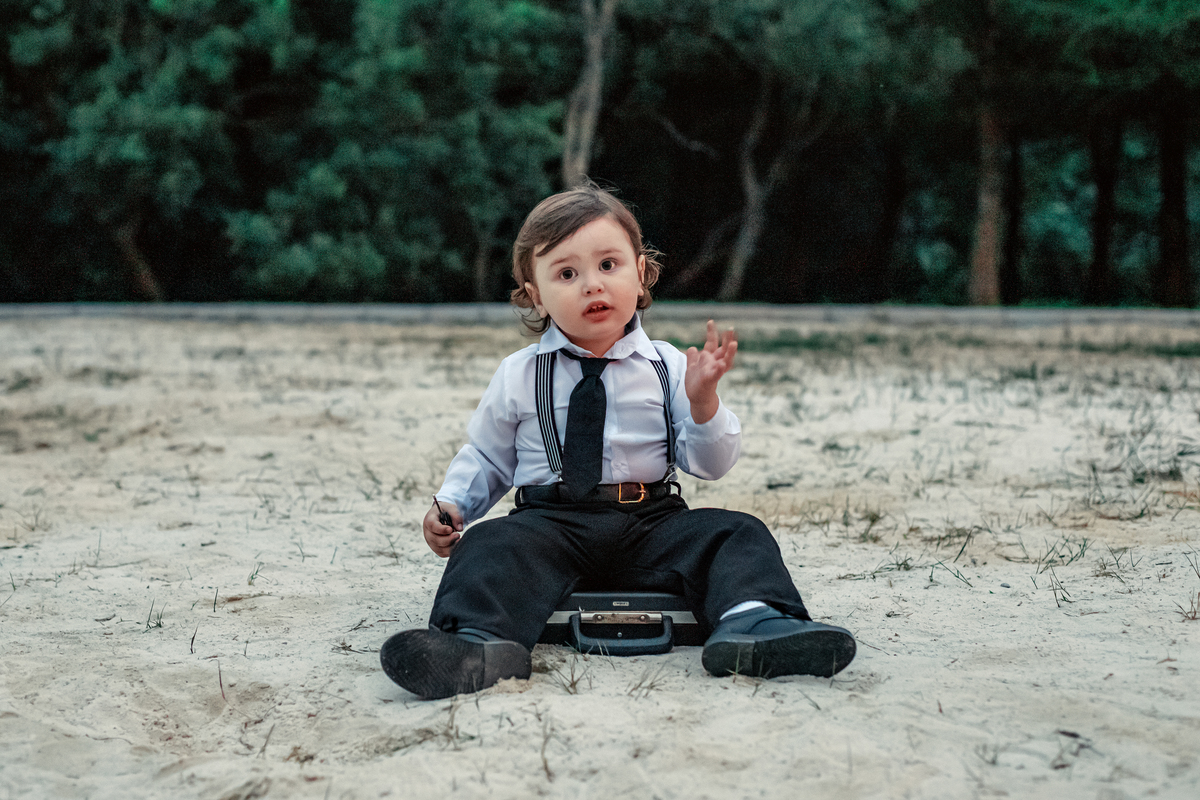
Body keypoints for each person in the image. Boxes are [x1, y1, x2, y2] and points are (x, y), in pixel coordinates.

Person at [381, 184, 855, 699]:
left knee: (737, 533)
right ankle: (475, 642)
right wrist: (454, 503)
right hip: (551, 525)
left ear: (641, 272)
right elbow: (488, 456)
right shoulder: (519, 373)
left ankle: (756, 623)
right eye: (567, 274)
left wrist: (703, 403)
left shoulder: (668, 366)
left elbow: (711, 464)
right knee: (489, 545)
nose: (593, 285)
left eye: (609, 265)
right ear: (535, 294)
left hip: (651, 522)